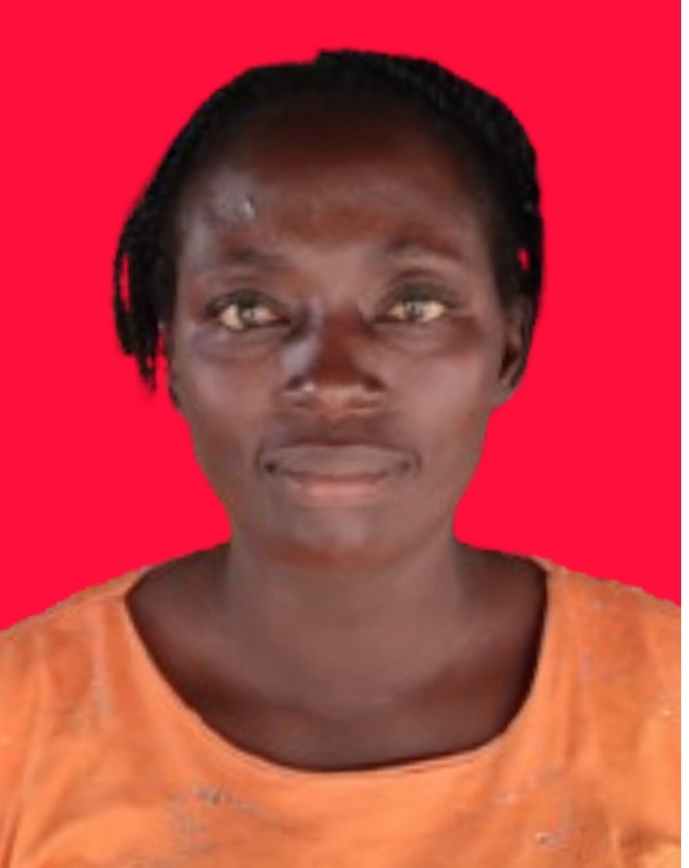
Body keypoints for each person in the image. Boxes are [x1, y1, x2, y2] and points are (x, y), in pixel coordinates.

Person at [0, 49, 679, 867]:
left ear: (509, 344)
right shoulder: (20, 727)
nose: (329, 379)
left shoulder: (665, 702)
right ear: (169, 353)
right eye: (247, 310)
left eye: (413, 305)